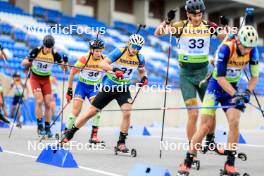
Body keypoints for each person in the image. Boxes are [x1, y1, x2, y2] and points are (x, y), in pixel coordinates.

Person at [178, 25, 259, 175]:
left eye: (250, 47)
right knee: (205, 126)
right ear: (239, 41)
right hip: (215, 86)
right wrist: (237, 94)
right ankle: (187, 162)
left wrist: (247, 92)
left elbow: (255, 77)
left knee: (234, 122)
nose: (247, 50)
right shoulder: (227, 49)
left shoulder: (253, 52)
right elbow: (220, 78)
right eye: (245, 46)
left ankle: (229, 164)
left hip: (232, 88)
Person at [154, 0, 227, 163]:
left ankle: (210, 142)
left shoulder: (209, 26)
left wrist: (225, 28)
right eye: (194, 15)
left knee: (211, 111)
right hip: (186, 75)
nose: (197, 18)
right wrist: (167, 21)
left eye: (199, 14)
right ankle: (192, 153)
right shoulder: (180, 26)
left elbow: (226, 37)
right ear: (188, 14)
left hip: (203, 75)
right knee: (193, 114)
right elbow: (158, 33)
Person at [60, 34, 148, 152]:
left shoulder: (140, 58)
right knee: (91, 113)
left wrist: (144, 78)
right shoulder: (119, 51)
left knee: (127, 113)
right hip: (109, 87)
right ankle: (69, 135)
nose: (135, 49)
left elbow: (142, 71)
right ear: (129, 43)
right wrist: (114, 69)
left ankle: (121, 142)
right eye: (134, 46)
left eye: (139, 47)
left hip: (123, 89)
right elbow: (102, 64)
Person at [21, 35, 68, 138]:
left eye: (50, 48)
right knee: (39, 101)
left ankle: (47, 127)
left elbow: (64, 69)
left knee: (48, 104)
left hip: (46, 79)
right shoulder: (36, 51)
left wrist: (65, 62)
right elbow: (23, 62)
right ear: (43, 45)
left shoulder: (55, 54)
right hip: (35, 78)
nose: (47, 49)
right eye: (46, 47)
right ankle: (40, 127)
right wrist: (29, 62)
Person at [65, 38, 105, 144]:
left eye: (101, 51)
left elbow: (110, 72)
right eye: (97, 51)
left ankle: (94, 136)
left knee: (97, 111)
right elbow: (72, 72)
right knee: (76, 111)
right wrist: (69, 90)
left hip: (94, 88)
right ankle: (66, 133)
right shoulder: (84, 59)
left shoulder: (104, 59)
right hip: (82, 87)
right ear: (91, 50)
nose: (99, 53)